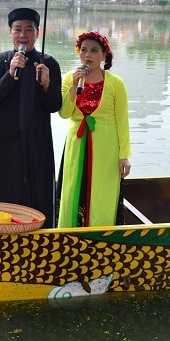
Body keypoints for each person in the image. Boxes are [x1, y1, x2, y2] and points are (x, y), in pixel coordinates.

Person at [0, 7, 62, 227]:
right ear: (9, 32)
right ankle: (4, 237)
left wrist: (46, 83)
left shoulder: (49, 64)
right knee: (7, 191)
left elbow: (55, 106)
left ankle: (42, 237)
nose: (23, 35)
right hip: (8, 140)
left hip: (39, 140)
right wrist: (10, 74)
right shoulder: (0, 62)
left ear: (38, 32)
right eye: (18, 29)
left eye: (29, 29)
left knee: (39, 191)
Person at [57, 31, 131, 228]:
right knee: (73, 187)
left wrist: (124, 155)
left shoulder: (116, 83)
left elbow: (122, 121)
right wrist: (74, 85)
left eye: (94, 50)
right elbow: (64, 113)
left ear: (104, 55)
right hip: (76, 143)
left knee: (103, 191)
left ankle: (101, 233)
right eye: (83, 50)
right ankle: (69, 233)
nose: (87, 55)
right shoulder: (68, 79)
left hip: (106, 146)